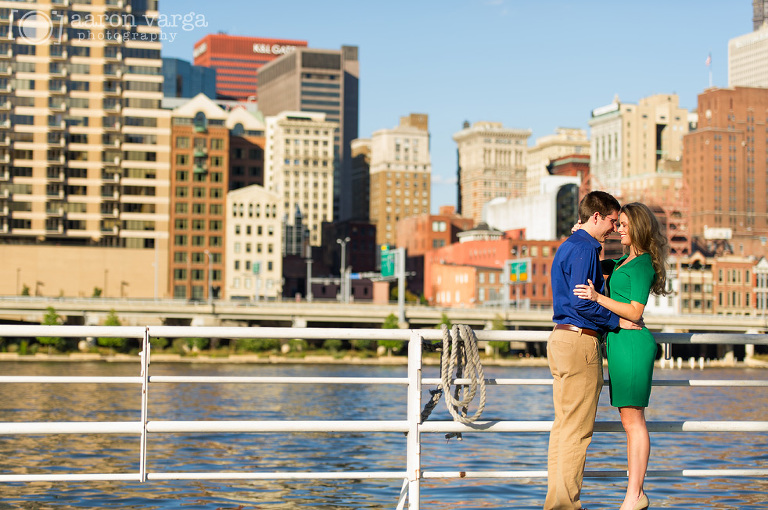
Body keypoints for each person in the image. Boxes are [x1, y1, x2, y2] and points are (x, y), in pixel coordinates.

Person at [545, 190, 640, 510]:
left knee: (563, 428)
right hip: (579, 341)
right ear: (596, 216)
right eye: (612, 221)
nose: (614, 229)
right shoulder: (586, 247)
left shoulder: (569, 245)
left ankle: (556, 503)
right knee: (577, 433)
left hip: (560, 338)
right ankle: (565, 506)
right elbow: (582, 302)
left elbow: (573, 298)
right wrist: (617, 321)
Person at [573, 202, 669, 510]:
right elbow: (595, 263)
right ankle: (633, 493)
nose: (618, 228)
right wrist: (583, 233)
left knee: (634, 421)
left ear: (639, 227)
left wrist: (598, 297)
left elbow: (636, 311)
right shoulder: (623, 261)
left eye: (624, 224)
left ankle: (635, 494)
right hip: (620, 345)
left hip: (632, 345)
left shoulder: (641, 264)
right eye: (618, 223)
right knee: (628, 420)